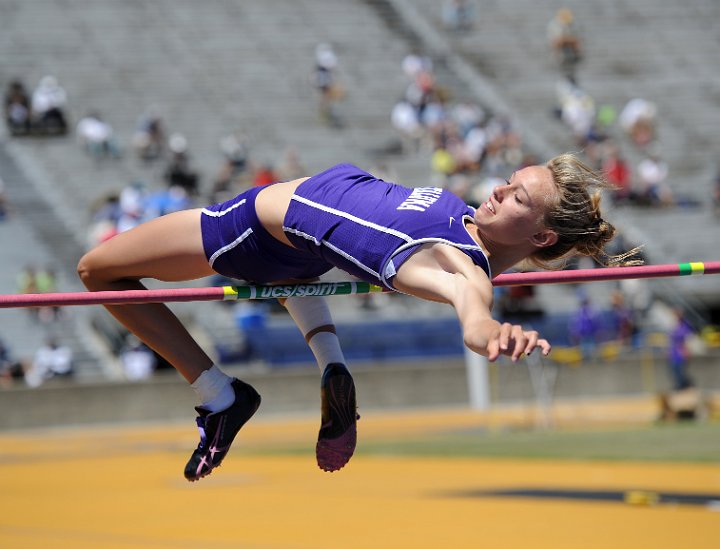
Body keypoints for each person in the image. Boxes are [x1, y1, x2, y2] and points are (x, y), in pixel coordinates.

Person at [77, 153, 636, 482]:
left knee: (96, 271)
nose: (499, 190)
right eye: (510, 181)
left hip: (248, 228)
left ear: (541, 235)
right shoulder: (463, 219)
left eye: (517, 198)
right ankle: (332, 366)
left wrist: (490, 331)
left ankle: (219, 393)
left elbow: (471, 308)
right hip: (301, 247)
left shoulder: (461, 266)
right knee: (299, 268)